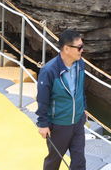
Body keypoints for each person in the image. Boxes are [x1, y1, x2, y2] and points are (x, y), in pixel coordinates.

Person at [36, 30, 87, 170]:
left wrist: (84, 109)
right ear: (66, 48)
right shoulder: (49, 71)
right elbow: (42, 99)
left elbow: (81, 90)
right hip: (59, 125)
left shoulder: (80, 64)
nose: (82, 50)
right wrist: (43, 123)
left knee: (79, 162)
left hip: (77, 122)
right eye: (79, 47)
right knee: (54, 161)